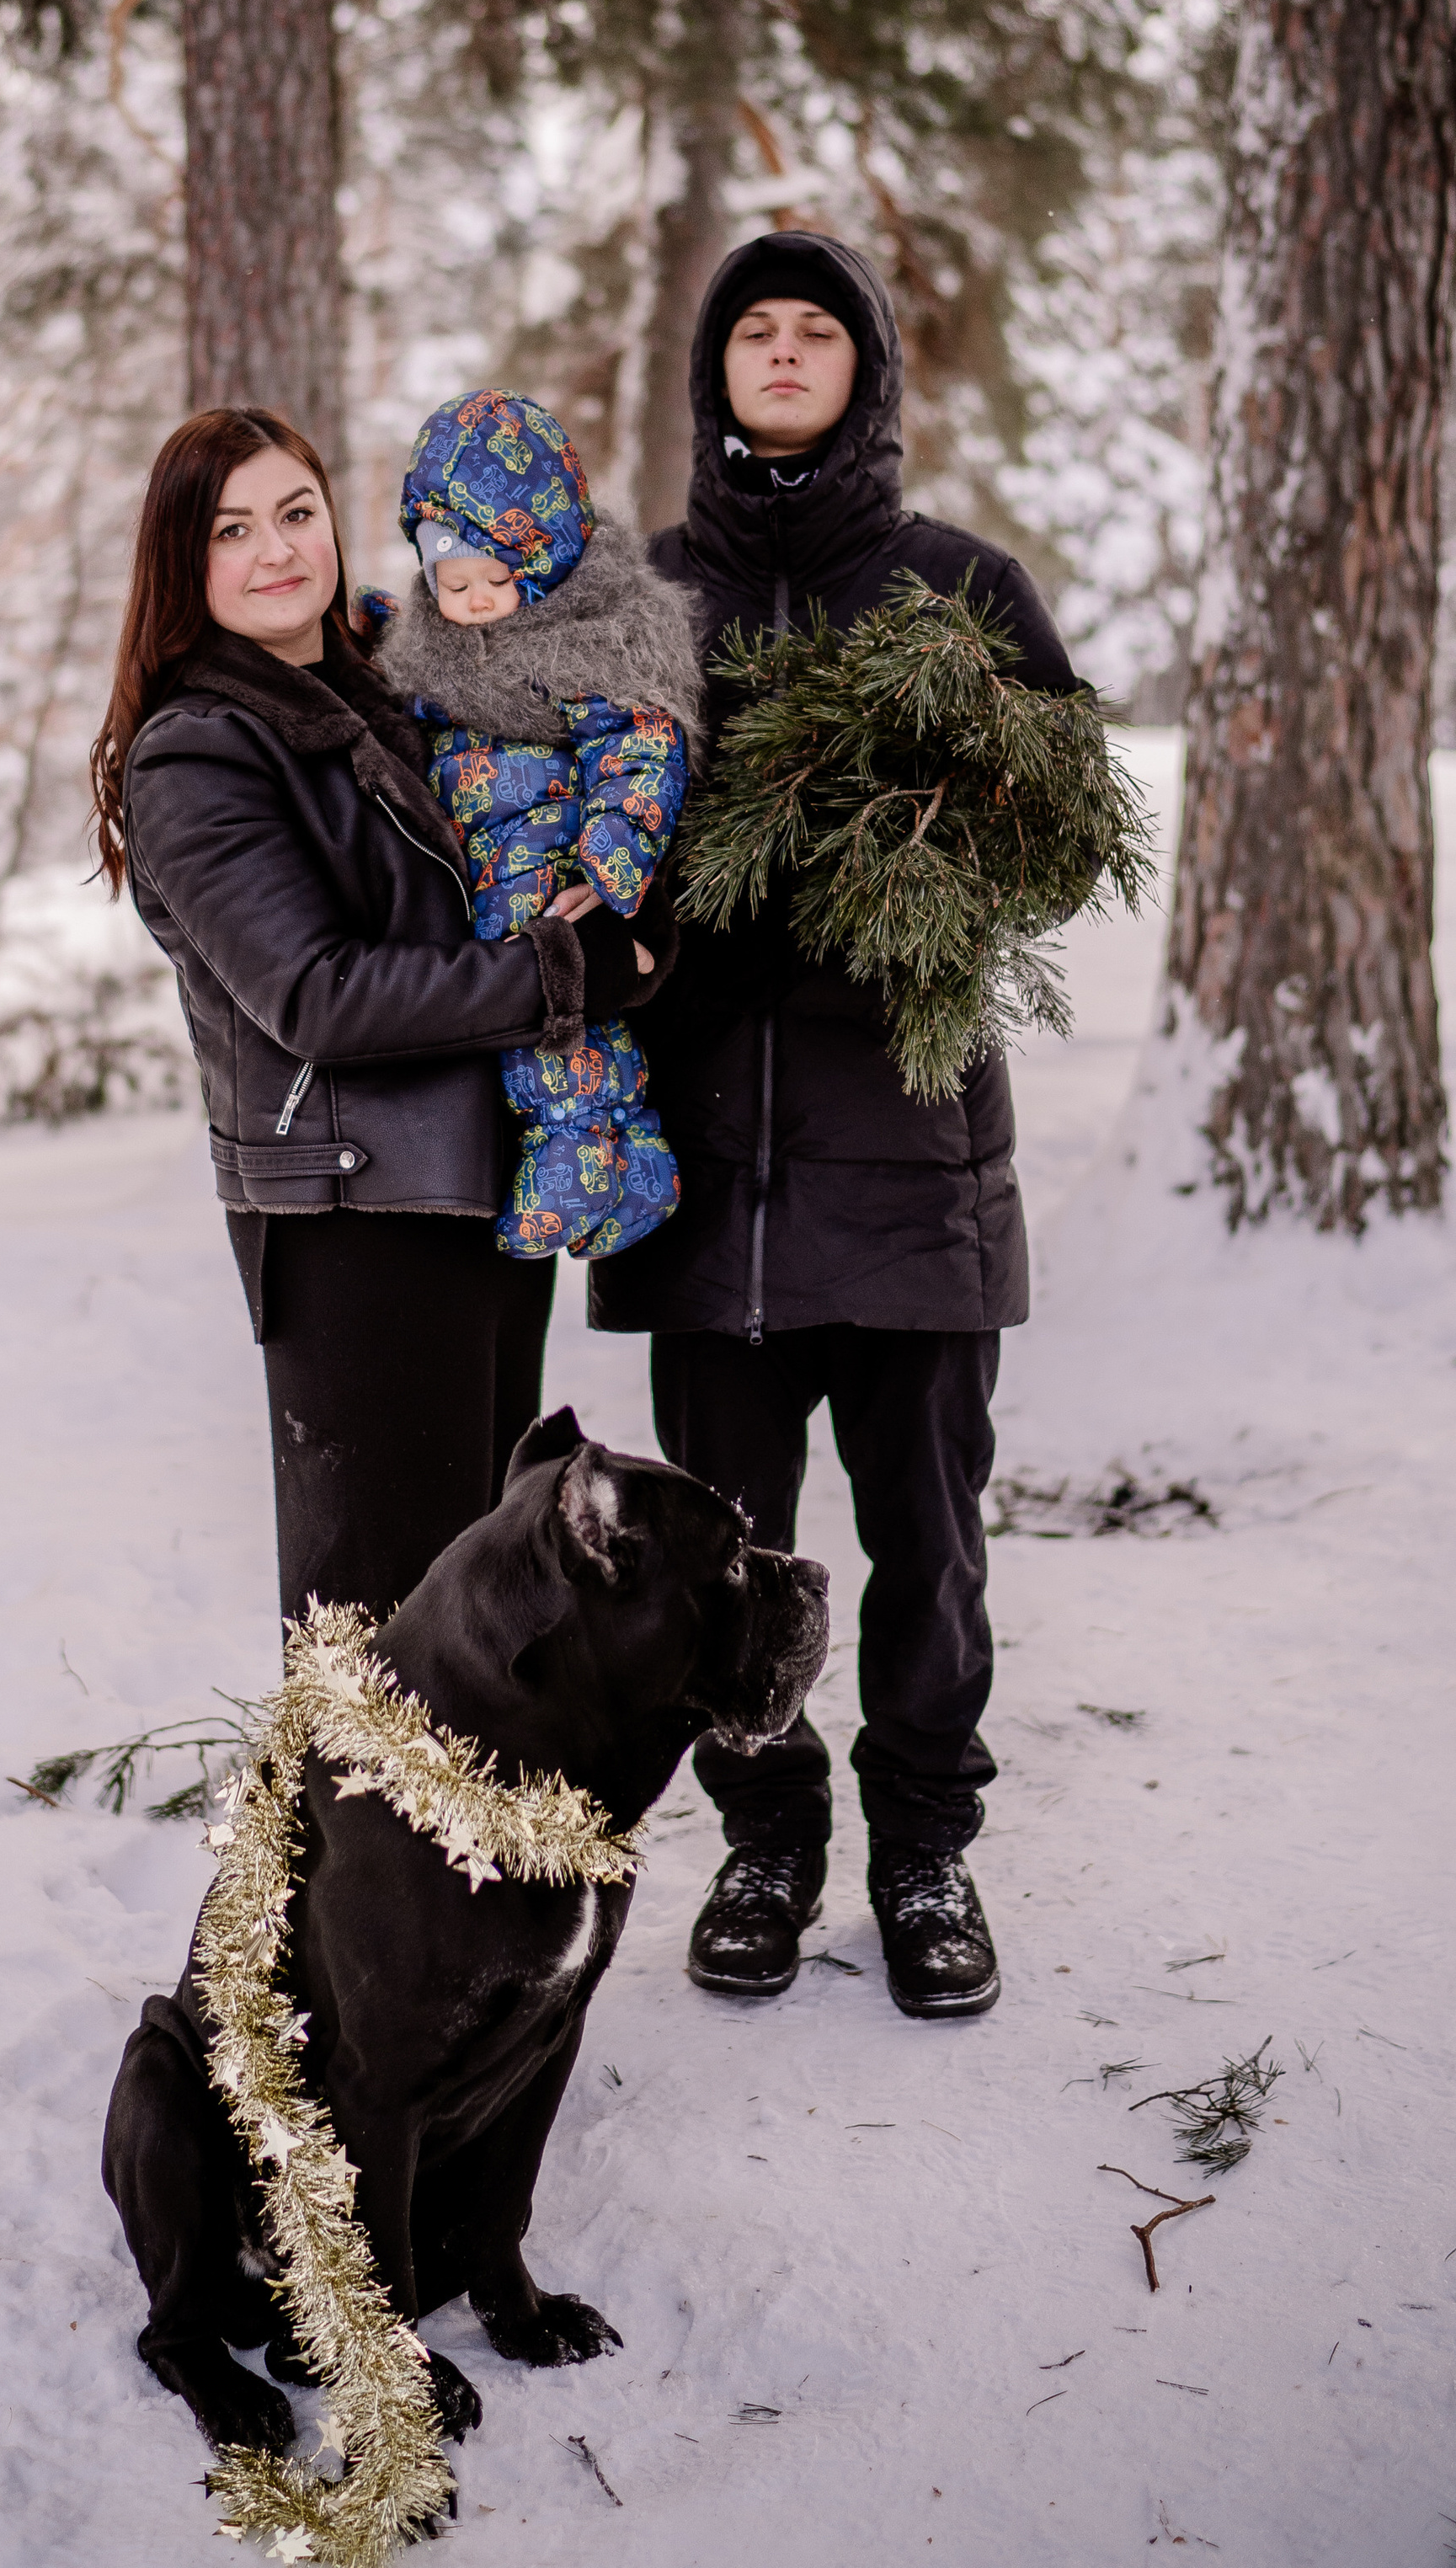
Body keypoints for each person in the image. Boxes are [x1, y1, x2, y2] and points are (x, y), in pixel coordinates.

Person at [589, 233, 1080, 2021]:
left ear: (865, 374)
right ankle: (764, 1837)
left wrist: (897, 847)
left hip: (918, 1172)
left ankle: (924, 1851)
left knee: (928, 1544)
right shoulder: (637, 596)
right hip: (705, 1177)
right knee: (716, 1548)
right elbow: (567, 835)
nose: (782, 354)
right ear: (710, 374)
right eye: (753, 332)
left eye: (818, 333)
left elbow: (1055, 833)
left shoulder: (958, 590)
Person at [92, 407, 669, 1629]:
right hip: (356, 1225)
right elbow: (318, 997)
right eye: (232, 530)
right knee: (385, 1614)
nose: (277, 551)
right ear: (183, 564)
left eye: (297, 514)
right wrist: (568, 975)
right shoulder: (201, 751)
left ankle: (480, 1833)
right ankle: (340, 1829)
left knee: (480, 1609)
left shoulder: (387, 694)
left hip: (471, 1195)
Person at [365, 387, 698, 1260]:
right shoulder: (438, 648)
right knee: (543, 1026)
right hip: (482, 869)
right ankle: (627, 1168)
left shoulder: (587, 649)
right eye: (453, 582)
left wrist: (609, 858)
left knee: (558, 1026)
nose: (473, 602)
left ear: (542, 565)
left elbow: (641, 746)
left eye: (494, 581)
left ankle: (579, 1167)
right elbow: (418, 698)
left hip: (548, 870)